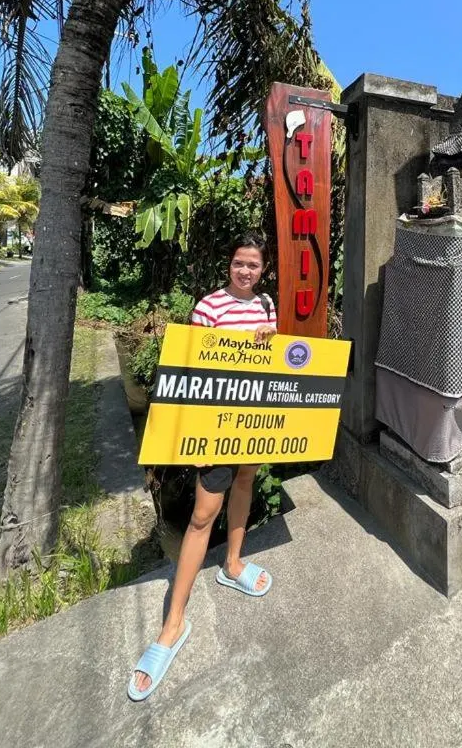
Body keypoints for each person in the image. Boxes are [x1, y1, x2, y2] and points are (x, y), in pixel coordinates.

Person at [128, 233, 277, 701]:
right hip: (215, 425)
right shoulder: (209, 307)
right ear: (228, 265)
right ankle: (173, 625)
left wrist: (270, 339)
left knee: (247, 482)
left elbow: (272, 360)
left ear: (263, 269)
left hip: (252, 416)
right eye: (239, 263)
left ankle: (232, 563)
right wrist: (193, 435)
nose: (246, 271)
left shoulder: (266, 305)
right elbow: (191, 369)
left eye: (253, 265)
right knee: (198, 517)